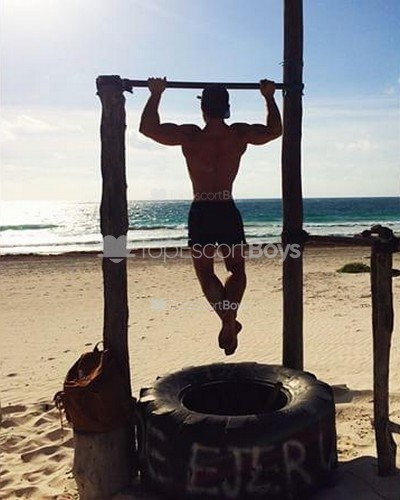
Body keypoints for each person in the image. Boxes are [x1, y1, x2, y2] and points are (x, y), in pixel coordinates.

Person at [139, 77, 282, 355]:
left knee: (205, 273)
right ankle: (229, 319)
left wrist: (156, 93)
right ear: (227, 109)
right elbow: (275, 131)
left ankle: (227, 320)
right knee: (236, 271)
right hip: (226, 208)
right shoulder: (238, 134)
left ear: (203, 109)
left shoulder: (191, 136)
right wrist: (269, 96)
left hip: (202, 209)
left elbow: (148, 128)